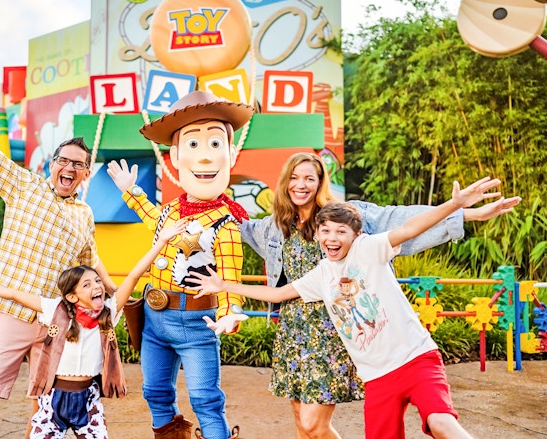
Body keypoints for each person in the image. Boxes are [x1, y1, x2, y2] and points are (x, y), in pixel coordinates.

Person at [191, 177, 506, 439]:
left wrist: (455, 206)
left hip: (415, 359)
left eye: (341, 231)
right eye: (325, 230)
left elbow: (409, 228)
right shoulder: (321, 275)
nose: (332, 237)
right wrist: (223, 286)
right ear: (317, 235)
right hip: (378, 379)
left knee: (440, 423)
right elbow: (278, 294)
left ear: (357, 235)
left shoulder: (369, 250)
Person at [0, 47, 115, 439]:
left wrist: (118, 294)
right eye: (65, 160)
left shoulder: (84, 214)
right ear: (53, 163)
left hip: (54, 323)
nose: (70, 168)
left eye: (79, 165)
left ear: (85, 174)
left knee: (45, 412)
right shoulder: (24, 186)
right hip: (9, 311)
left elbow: (90, 264)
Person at [0, 218, 189, 439]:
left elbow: (135, 274)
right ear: (71, 296)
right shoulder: (55, 310)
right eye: (87, 284)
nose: (97, 287)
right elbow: (14, 294)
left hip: (88, 401)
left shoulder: (108, 312)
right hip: (52, 401)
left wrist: (163, 240)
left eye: (97, 281)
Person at [106, 90, 253, 439]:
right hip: (154, 320)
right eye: (193, 145)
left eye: (215, 144)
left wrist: (230, 311)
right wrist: (131, 191)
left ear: (230, 154)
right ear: (175, 155)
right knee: (155, 394)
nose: (204, 157)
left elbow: (230, 276)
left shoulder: (226, 223)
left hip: (196, 323)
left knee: (206, 401)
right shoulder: (173, 209)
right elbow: (153, 219)